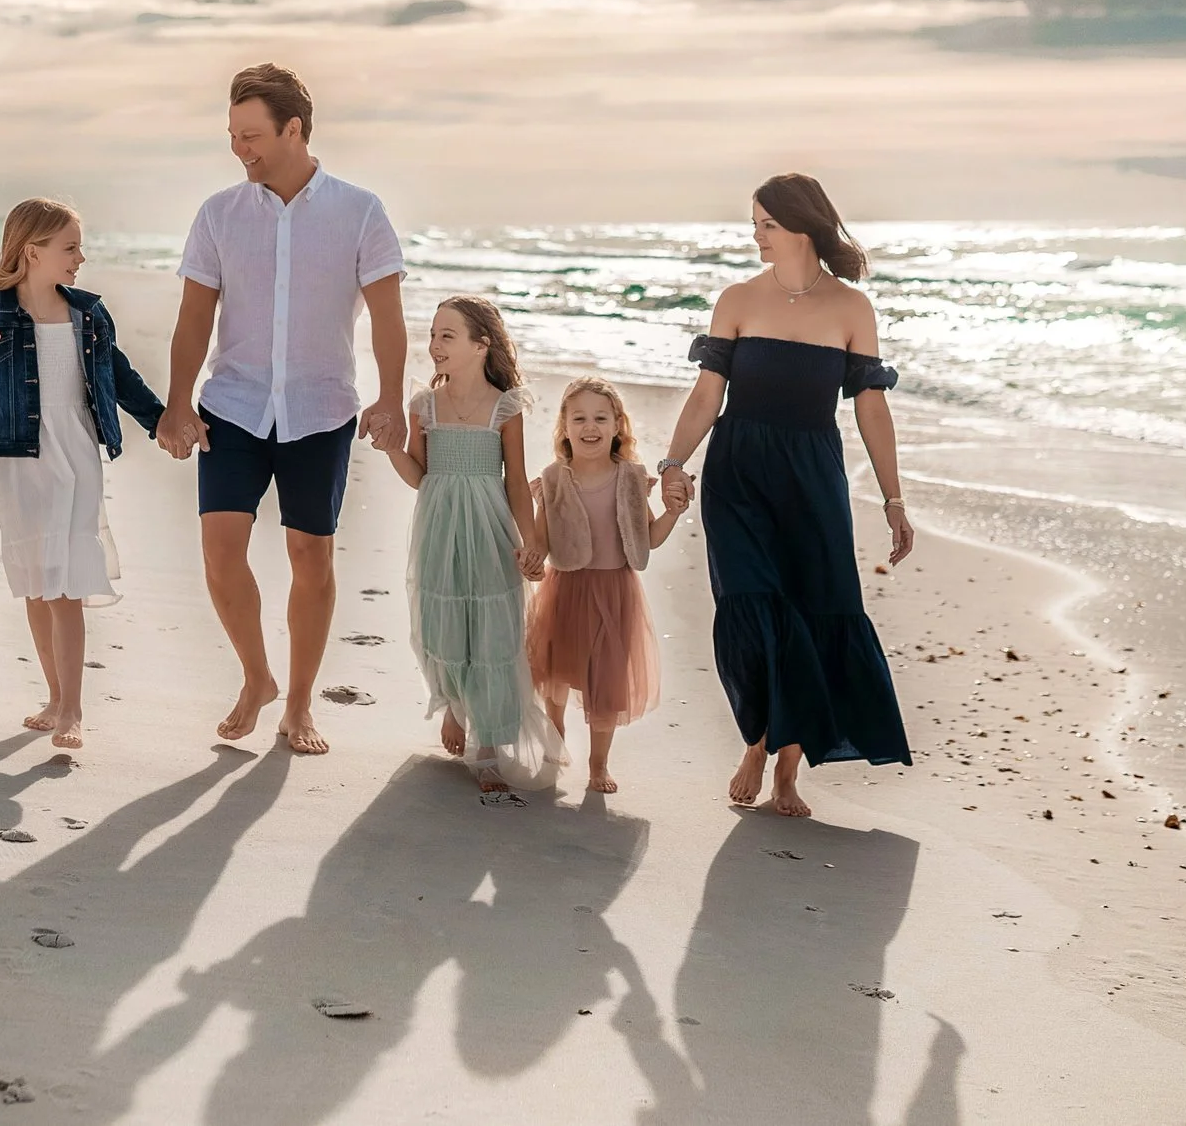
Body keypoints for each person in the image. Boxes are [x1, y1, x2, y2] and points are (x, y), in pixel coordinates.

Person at [157, 64, 409, 756]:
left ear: (294, 129)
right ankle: (256, 676)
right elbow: (192, 319)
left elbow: (388, 316)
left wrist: (392, 396)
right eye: (233, 136)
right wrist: (178, 404)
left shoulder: (359, 210)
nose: (241, 149)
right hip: (232, 404)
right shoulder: (218, 215)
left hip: (320, 410)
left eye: (253, 135)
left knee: (311, 555)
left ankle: (299, 704)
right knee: (219, 553)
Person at [658, 173, 914, 817]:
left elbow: (872, 411)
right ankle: (759, 736)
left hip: (812, 478)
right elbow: (705, 396)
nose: (756, 235)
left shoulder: (852, 308)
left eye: (766, 224)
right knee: (751, 606)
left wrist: (893, 499)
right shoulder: (738, 300)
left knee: (815, 610)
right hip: (738, 472)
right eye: (754, 223)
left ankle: (785, 764)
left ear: (802, 226)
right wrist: (671, 463)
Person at [0, 198, 161, 751]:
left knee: (64, 584)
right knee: (38, 587)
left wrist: (163, 422)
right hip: (16, 460)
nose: (80, 258)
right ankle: (53, 695)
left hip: (77, 453)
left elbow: (121, 376)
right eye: (70, 248)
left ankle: (72, 710)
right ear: (32, 251)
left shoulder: (89, 315)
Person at [386, 297, 561, 794]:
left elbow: (516, 482)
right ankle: (454, 709)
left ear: (481, 345)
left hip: (490, 527)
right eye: (434, 334)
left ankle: (488, 750)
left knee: (492, 628)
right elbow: (419, 477)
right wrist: (390, 448)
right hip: (439, 525)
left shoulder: (506, 407)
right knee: (443, 623)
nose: (435, 344)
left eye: (448, 335)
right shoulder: (423, 404)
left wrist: (532, 546)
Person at [528, 378, 680, 794]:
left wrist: (671, 514)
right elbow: (541, 538)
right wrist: (530, 558)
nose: (589, 426)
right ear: (564, 425)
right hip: (566, 588)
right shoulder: (554, 478)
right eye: (579, 418)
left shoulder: (630, 477)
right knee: (558, 669)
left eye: (600, 417)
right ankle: (555, 728)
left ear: (617, 426)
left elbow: (648, 538)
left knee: (606, 682)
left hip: (616, 592)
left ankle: (599, 764)